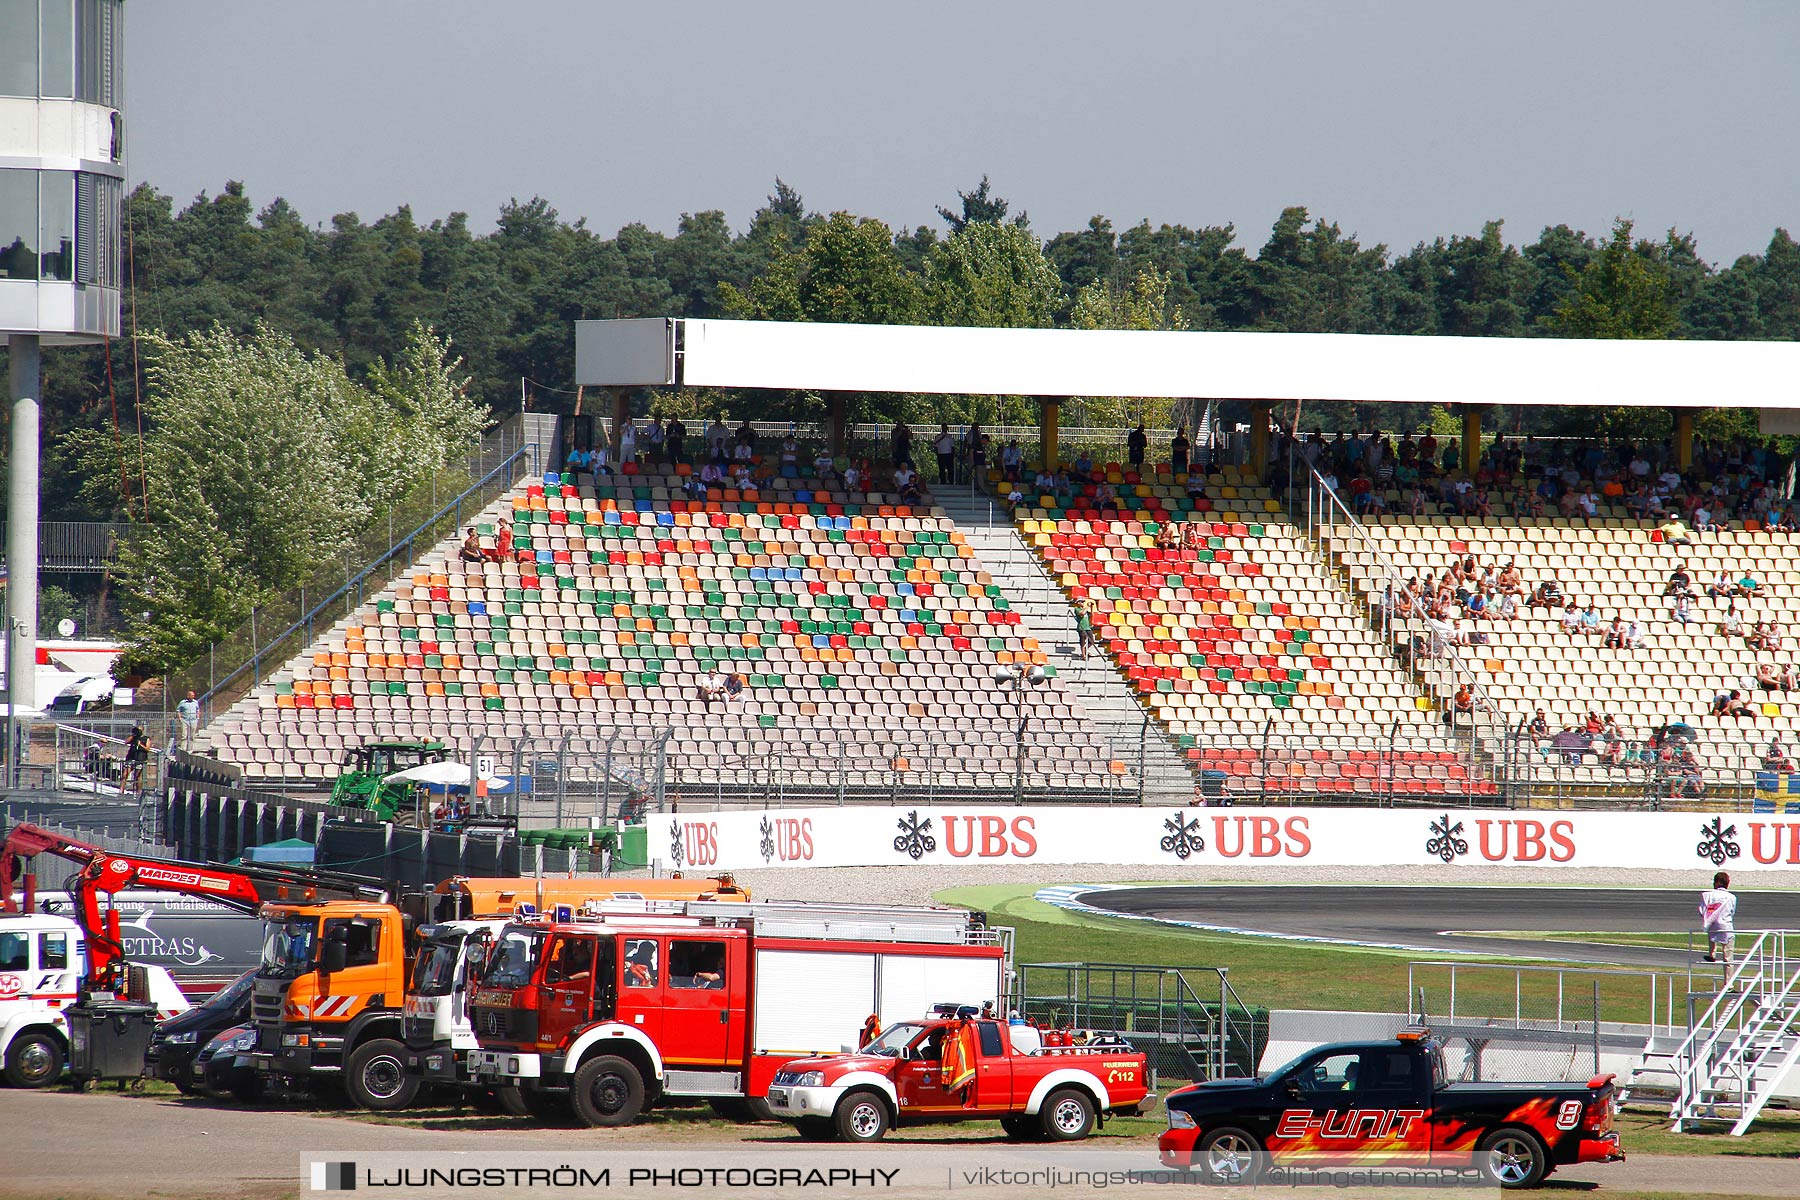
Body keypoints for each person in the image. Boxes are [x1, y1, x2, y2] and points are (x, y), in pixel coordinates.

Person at [1699, 872, 1737, 965]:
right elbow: (1732, 912)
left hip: (1712, 924)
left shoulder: (1707, 895)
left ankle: (1712, 954)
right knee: (1728, 958)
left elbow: (1702, 910)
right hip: (1726, 925)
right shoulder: (1732, 897)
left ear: (1716, 882)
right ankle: (1728, 979)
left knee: (1711, 929)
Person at [122, 726, 151, 790]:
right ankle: (121, 791)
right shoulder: (133, 738)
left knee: (137, 776)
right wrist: (133, 735)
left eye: (139, 730)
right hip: (131, 758)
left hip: (140, 759)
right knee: (125, 775)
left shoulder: (146, 738)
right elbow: (126, 742)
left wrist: (140, 744)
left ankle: (138, 792)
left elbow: (148, 749)